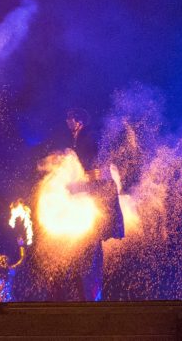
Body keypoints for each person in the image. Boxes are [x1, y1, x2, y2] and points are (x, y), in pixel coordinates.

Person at [64, 107, 123, 301]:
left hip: (101, 190)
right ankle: (91, 292)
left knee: (93, 237)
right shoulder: (82, 137)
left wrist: (79, 186)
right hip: (99, 189)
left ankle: (93, 295)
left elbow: (95, 168)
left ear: (78, 120)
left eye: (70, 118)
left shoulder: (86, 137)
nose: (67, 122)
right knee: (92, 240)